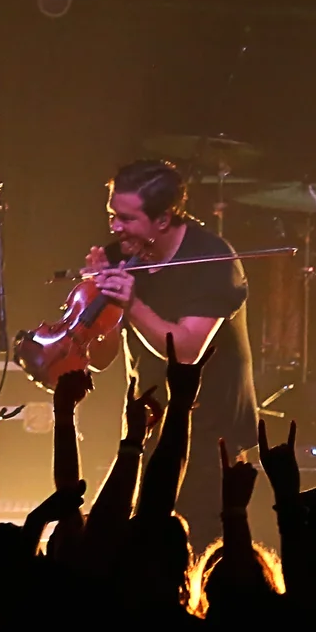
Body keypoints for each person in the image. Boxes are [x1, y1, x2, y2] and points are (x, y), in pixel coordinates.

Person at [88, 159, 258, 551]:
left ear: (163, 219)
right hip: (148, 423)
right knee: (136, 546)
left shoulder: (212, 258)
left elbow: (185, 351)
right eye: (112, 215)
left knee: (196, 547)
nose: (114, 227)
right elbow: (102, 357)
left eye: (126, 219)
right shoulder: (121, 256)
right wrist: (96, 306)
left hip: (209, 430)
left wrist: (130, 304)